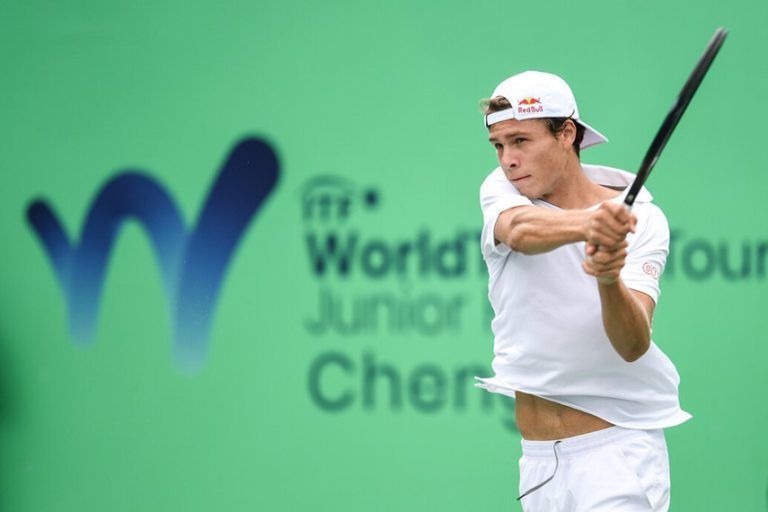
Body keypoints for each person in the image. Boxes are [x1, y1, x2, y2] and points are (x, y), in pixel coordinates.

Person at [473, 71, 692, 511]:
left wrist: (608, 278)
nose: (508, 159)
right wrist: (591, 224)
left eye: (521, 140)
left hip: (617, 455)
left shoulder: (646, 220)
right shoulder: (502, 191)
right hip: (538, 466)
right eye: (499, 146)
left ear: (566, 133)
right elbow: (519, 230)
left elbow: (632, 345)